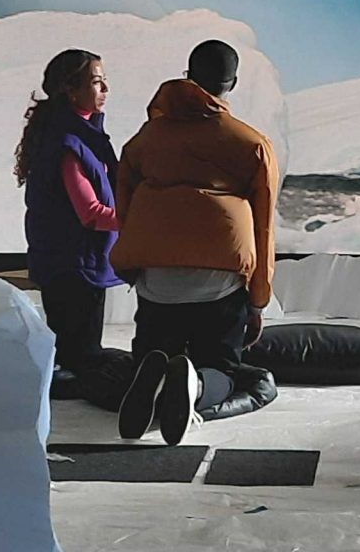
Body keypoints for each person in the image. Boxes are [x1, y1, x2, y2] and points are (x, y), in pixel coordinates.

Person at [110, 40, 283, 444]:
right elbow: (263, 228)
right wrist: (257, 300)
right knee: (223, 369)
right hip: (219, 283)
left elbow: (125, 206)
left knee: (152, 353)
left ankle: (152, 373)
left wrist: (135, 266)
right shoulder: (251, 144)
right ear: (232, 84)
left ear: (188, 76)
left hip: (157, 279)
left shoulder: (145, 140)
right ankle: (197, 384)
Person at [16, 49, 121, 397]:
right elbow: (91, 213)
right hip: (74, 269)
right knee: (80, 361)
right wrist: (143, 221)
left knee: (79, 357)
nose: (105, 88)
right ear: (71, 91)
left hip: (76, 264)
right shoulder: (69, 143)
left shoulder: (78, 134)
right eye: (96, 81)